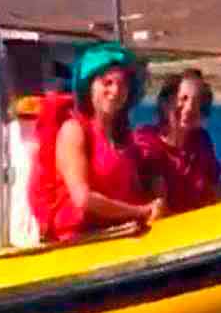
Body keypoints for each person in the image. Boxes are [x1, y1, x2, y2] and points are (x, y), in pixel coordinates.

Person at [30, 43, 164, 242]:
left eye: (122, 84)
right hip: (84, 239)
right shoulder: (74, 131)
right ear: (89, 87)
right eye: (107, 83)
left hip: (123, 231)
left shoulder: (123, 138)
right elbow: (83, 198)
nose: (116, 90)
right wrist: (140, 211)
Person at [133, 68, 221, 213]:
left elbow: (217, 191)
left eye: (197, 102)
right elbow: (159, 204)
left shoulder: (201, 140)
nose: (190, 108)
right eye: (183, 99)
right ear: (166, 104)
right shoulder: (146, 141)